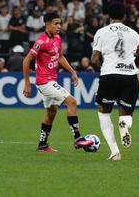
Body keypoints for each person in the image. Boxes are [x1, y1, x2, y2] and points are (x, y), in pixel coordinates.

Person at [22, 12, 93, 152]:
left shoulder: (57, 39)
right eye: (55, 23)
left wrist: (72, 72)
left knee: (51, 112)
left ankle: (42, 145)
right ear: (47, 24)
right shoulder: (41, 41)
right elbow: (26, 60)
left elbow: (60, 57)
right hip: (44, 81)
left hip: (51, 80)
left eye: (60, 23)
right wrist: (27, 84)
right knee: (71, 102)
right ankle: (78, 139)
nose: (59, 26)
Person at [91, 2, 139, 161]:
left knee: (104, 113)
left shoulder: (101, 32)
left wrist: (103, 69)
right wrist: (138, 72)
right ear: (124, 16)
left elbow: (94, 58)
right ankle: (124, 126)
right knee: (125, 114)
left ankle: (115, 152)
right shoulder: (133, 33)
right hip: (129, 75)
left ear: (109, 16)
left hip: (109, 74)